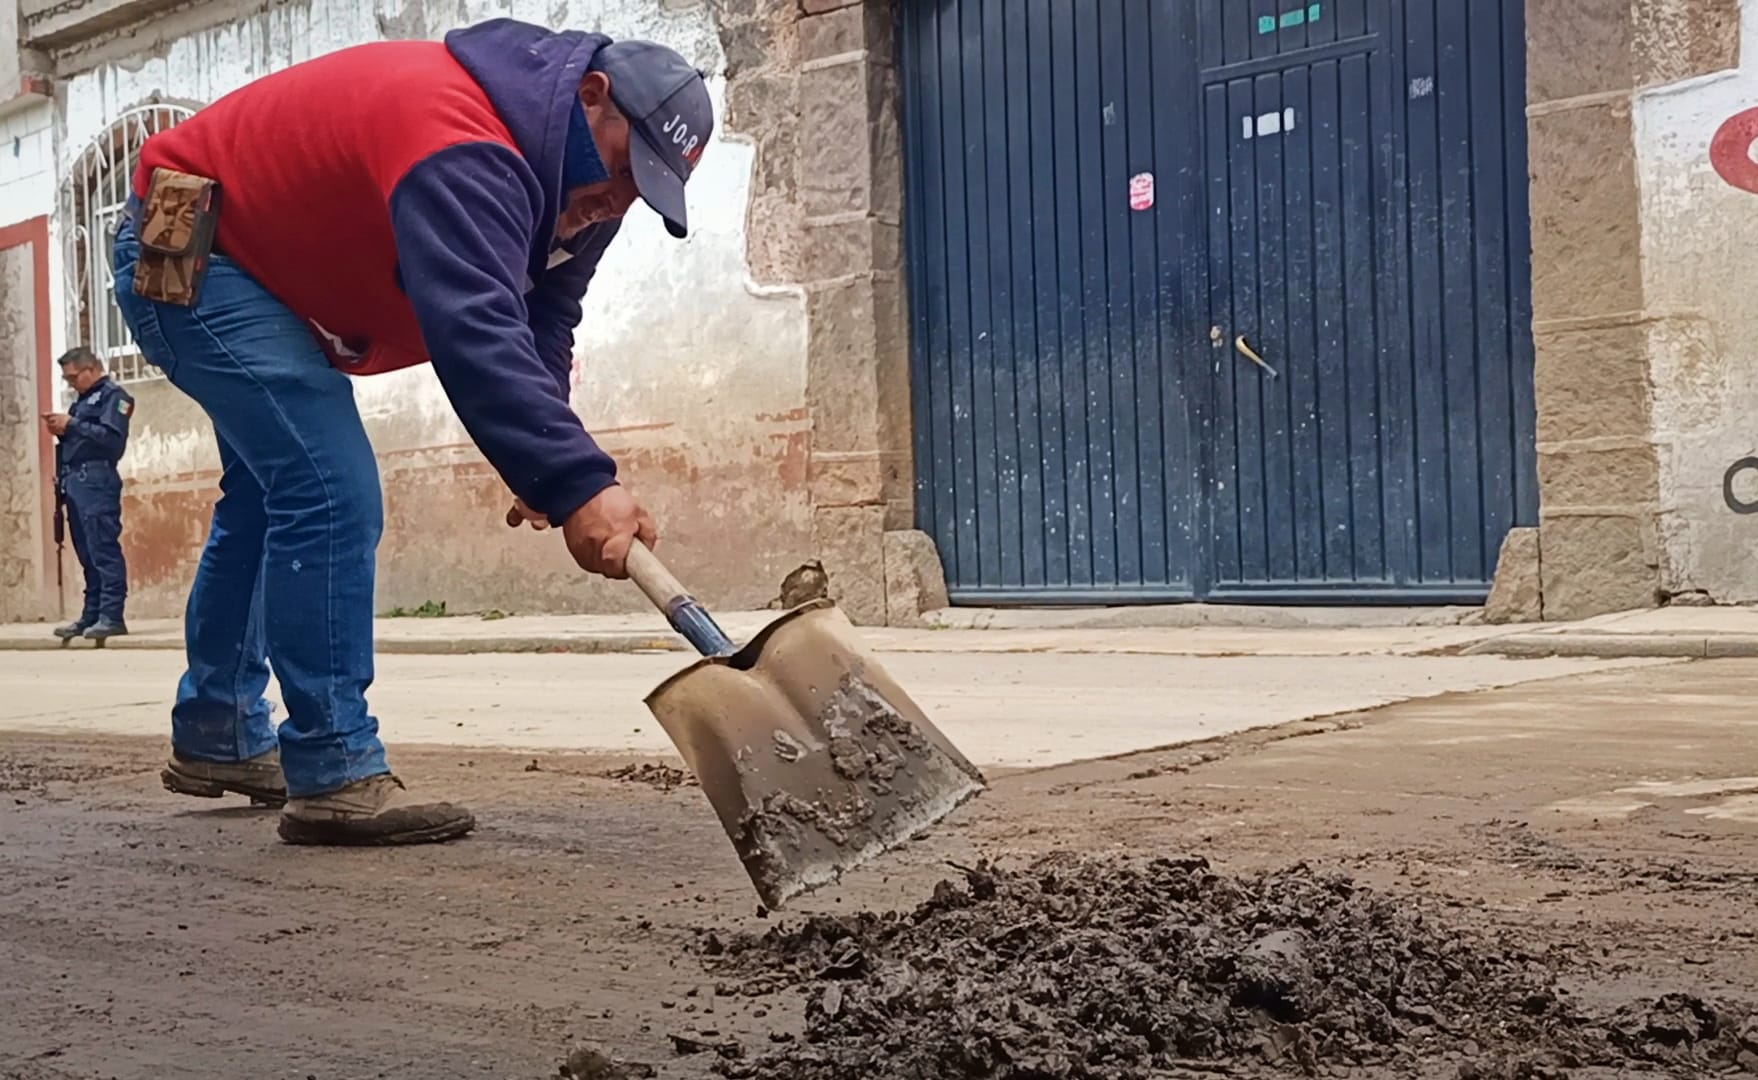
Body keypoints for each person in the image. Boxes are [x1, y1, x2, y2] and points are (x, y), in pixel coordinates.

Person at [112, 18, 710, 845]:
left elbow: (542, 318)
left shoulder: (579, 192)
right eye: (621, 171)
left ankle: (218, 732)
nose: (619, 201)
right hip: (185, 227)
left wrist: (543, 461)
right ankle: (331, 768)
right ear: (591, 97)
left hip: (265, 262)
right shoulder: (461, 137)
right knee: (324, 485)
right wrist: (576, 483)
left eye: (644, 191)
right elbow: (475, 330)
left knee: (269, 488)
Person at [41, 347, 132, 643]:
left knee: (103, 547)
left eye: (73, 377)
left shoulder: (114, 397)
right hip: (76, 481)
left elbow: (112, 440)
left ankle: (111, 615)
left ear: (91, 369)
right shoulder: (81, 403)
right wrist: (63, 430)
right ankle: (91, 614)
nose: (71, 384)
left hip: (97, 479)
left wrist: (73, 424)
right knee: (86, 551)